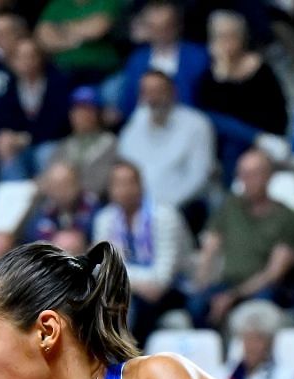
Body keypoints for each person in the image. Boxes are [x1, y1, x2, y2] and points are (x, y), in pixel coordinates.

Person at [189, 148, 294, 327]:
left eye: (253, 174)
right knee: (197, 305)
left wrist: (233, 296)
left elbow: (274, 273)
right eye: (243, 174)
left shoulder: (287, 217)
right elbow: (210, 249)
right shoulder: (229, 208)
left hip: (264, 288)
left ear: (268, 176)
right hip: (229, 283)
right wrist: (201, 285)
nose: (246, 181)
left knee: (262, 305)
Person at [90, 160, 189, 341]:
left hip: (175, 291)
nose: (123, 190)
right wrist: (135, 284)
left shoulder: (164, 216)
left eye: (129, 183)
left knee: (125, 305)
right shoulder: (104, 219)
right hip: (131, 290)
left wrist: (122, 277)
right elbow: (103, 270)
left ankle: (129, 360)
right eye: (117, 184)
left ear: (140, 185)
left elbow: (162, 280)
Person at [193, 10, 287, 174]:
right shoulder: (209, 75)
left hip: (261, 138)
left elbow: (276, 113)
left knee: (235, 146)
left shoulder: (261, 71)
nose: (226, 42)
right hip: (221, 141)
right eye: (221, 37)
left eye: (231, 36)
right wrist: (222, 75)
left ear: (242, 37)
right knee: (215, 123)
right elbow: (210, 116)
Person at [117, 71, 215, 222]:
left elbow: (200, 178)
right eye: (147, 92)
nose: (152, 98)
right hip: (138, 211)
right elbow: (124, 172)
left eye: (158, 91)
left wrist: (164, 209)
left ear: (173, 92)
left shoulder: (196, 124)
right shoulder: (133, 127)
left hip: (183, 208)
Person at [0, 37, 69, 183]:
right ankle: (14, 200)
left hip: (49, 140)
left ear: (40, 58)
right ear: (14, 61)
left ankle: (46, 201)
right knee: (5, 148)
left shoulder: (56, 82)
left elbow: (58, 122)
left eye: (31, 56)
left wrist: (27, 137)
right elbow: (4, 117)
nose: (27, 62)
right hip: (21, 141)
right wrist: (9, 136)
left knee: (45, 153)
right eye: (22, 57)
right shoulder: (9, 84)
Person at [111, 1, 206, 117]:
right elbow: (130, 100)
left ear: (177, 26)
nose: (160, 33)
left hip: (186, 120)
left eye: (165, 27)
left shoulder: (198, 56)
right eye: (154, 27)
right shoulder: (137, 59)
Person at [33, 0, 124, 85]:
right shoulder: (58, 3)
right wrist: (77, 39)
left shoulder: (106, 1)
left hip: (99, 69)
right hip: (62, 69)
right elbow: (42, 37)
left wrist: (59, 28)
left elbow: (97, 29)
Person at [53, 85, 118, 198]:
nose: (81, 116)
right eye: (77, 111)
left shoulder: (110, 143)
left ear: (98, 114)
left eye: (87, 110)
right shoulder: (65, 144)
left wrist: (70, 187)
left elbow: (101, 183)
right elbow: (48, 178)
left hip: (95, 204)